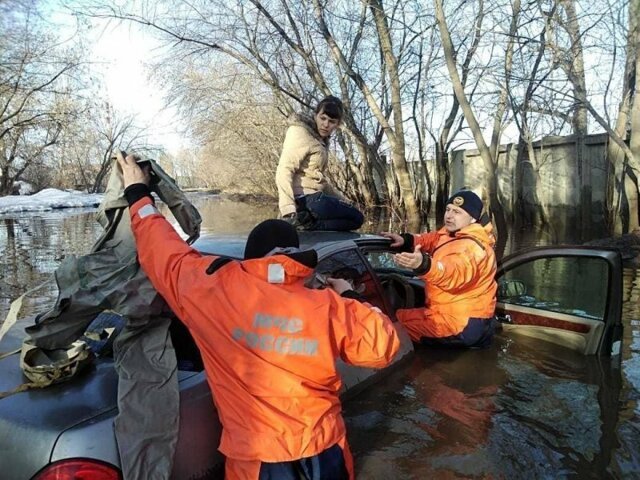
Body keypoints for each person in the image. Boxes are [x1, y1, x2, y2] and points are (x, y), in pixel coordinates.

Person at [116, 152, 400, 480]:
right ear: (294, 255)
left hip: (257, 461)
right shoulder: (329, 306)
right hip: (324, 452)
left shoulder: (213, 289)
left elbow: (162, 251)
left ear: (250, 258)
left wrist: (138, 194)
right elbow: (383, 347)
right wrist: (348, 294)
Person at [382, 190, 497, 348]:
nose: (449, 216)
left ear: (472, 218)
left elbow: (453, 274)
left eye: (457, 212)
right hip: (449, 313)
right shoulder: (452, 233)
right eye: (448, 209)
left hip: (461, 323)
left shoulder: (470, 248)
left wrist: (424, 265)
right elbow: (434, 239)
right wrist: (407, 240)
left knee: (389, 327)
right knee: (397, 316)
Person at [276, 96, 364, 231]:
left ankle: (308, 224)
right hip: (305, 199)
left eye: (332, 121)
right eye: (323, 118)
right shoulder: (300, 132)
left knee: (353, 216)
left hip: (314, 199)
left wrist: (344, 200)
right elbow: (284, 169)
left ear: (338, 124)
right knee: (357, 218)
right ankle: (309, 226)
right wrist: (288, 210)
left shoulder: (320, 140)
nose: (326, 124)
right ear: (315, 115)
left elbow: (320, 180)